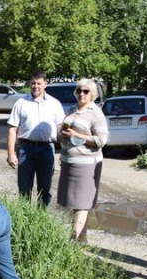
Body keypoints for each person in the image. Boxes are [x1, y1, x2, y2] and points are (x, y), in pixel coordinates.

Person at [56, 79, 108, 242]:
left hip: (87, 165)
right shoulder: (71, 110)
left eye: (85, 91)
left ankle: (75, 239)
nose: (81, 94)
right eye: (79, 90)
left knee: (83, 202)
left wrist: (77, 135)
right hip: (69, 161)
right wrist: (62, 136)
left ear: (92, 93)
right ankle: (82, 238)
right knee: (75, 202)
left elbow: (101, 140)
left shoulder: (96, 112)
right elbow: (61, 137)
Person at [7, 71, 65, 207]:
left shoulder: (54, 104)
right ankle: (24, 221)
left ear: (46, 84)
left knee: (45, 189)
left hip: (47, 149)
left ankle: (41, 219)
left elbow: (61, 129)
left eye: (39, 83)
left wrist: (64, 151)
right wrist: (11, 154)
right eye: (33, 83)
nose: (35, 86)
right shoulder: (21, 103)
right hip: (25, 148)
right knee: (24, 188)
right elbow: (12, 129)